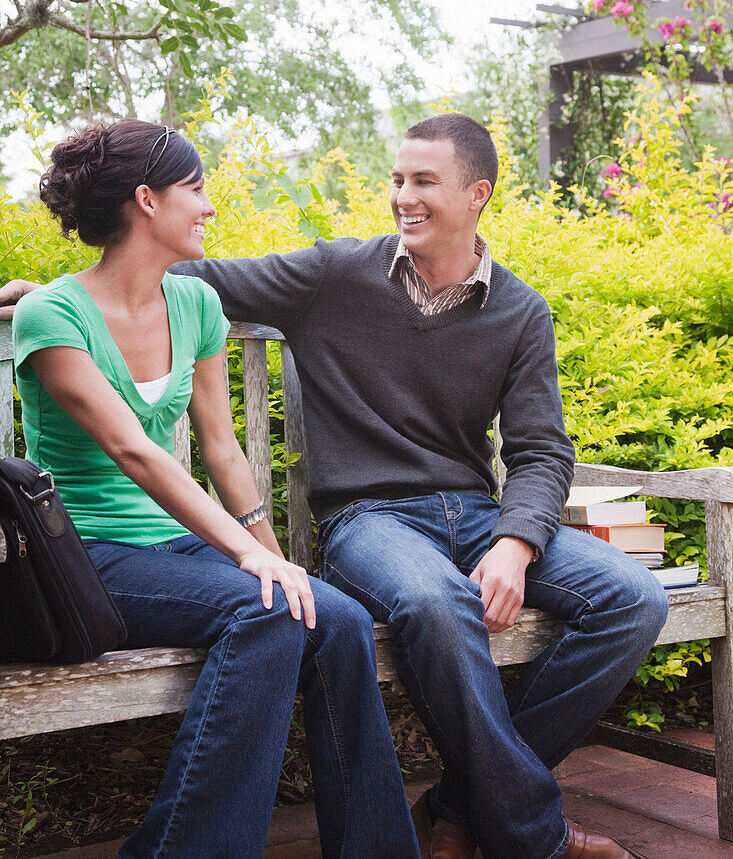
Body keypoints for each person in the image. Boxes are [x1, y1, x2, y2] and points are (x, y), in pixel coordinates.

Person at [2, 113, 667, 859]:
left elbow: (542, 451)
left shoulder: (518, 311)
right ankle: (531, 836)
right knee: (419, 605)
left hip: (477, 516)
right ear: (150, 199)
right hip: (365, 519)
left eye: (423, 182)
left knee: (629, 599)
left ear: (477, 194)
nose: (402, 197)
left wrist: (515, 542)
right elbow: (157, 292)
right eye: (397, 180)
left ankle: (451, 814)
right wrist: (55, 297)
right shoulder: (333, 275)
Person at [6, 119, 420, 859]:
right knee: (265, 615)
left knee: (337, 618)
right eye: (195, 188)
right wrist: (249, 562)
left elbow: (223, 450)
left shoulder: (196, 307)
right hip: (85, 556)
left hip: (174, 549)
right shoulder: (53, 314)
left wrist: (273, 556)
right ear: (146, 199)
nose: (209, 206)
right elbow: (134, 450)